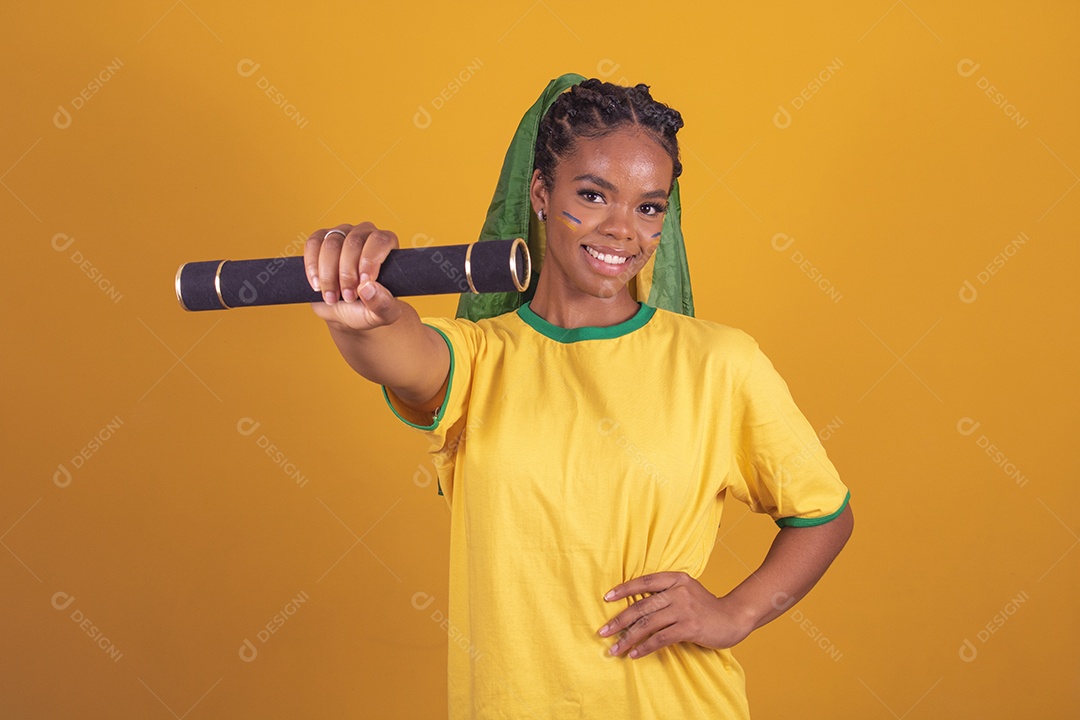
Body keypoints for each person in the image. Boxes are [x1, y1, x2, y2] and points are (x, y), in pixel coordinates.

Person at [304, 75, 853, 719]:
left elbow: (824, 514)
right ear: (540, 193)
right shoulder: (480, 357)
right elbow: (397, 353)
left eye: (650, 207)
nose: (623, 230)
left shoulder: (721, 362)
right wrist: (358, 310)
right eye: (593, 196)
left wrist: (735, 613)